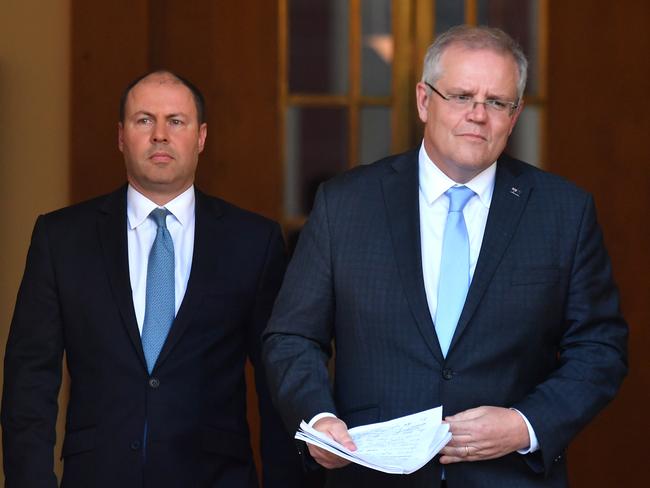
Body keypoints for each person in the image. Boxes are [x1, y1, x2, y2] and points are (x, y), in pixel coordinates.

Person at [262, 25, 628, 487]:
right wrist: (317, 418)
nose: (479, 115)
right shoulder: (346, 204)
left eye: (497, 102)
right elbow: (292, 336)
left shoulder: (563, 212)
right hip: (372, 475)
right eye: (461, 96)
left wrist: (525, 425)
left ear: (514, 117)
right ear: (423, 101)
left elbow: (600, 349)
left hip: (509, 477)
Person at [2, 70, 302, 487]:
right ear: (121, 136)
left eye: (175, 121)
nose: (160, 135)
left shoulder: (253, 241)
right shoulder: (62, 237)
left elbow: (278, 383)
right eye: (144, 120)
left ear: (200, 137)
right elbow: (29, 380)